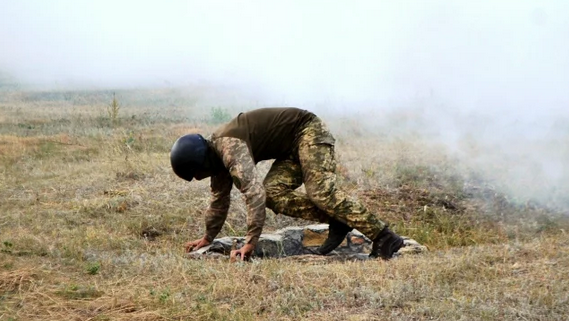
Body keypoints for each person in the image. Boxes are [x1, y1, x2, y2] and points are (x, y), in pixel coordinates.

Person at [170, 107, 405, 262]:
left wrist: (250, 242)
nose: (201, 178)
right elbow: (219, 201)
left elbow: (253, 193)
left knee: (321, 192)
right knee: (273, 194)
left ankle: (384, 236)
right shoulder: (216, 160)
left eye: (198, 174)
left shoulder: (228, 148)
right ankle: (338, 221)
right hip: (290, 150)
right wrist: (208, 238)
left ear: (200, 163)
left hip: (308, 131)